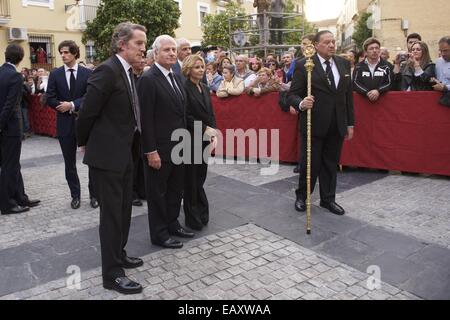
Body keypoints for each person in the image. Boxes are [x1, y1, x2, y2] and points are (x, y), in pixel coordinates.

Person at [76, 22, 147, 295]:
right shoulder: (107, 70)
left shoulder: (128, 72)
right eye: (139, 43)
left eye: (144, 43)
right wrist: (85, 143)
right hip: (107, 157)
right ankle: (112, 274)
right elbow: (87, 113)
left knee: (124, 211)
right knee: (112, 217)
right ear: (122, 45)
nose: (143, 49)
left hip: (126, 154)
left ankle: (120, 253)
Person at [287, 30, 354, 216]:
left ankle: (328, 199)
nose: (332, 45)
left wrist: (350, 123)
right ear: (316, 45)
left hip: (337, 123)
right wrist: (301, 103)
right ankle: (302, 196)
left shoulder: (343, 63)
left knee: (331, 164)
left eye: (333, 42)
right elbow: (292, 94)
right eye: (327, 42)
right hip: (313, 123)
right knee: (310, 163)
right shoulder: (304, 65)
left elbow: (347, 96)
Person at [137, 35, 195, 250]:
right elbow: (145, 119)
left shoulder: (177, 77)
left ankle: (173, 224)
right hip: (159, 149)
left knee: (175, 190)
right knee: (158, 193)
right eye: (167, 50)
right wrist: (150, 151)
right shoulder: (148, 79)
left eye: (173, 49)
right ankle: (159, 233)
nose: (172, 53)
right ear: (156, 53)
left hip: (178, 147)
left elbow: (182, 113)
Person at [46, 40, 97, 210]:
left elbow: (90, 96)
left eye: (66, 52)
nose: (63, 55)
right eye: (61, 52)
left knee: (92, 161)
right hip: (65, 124)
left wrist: (72, 104)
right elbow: (50, 97)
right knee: (69, 163)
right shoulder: (55, 74)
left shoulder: (87, 73)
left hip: (85, 123)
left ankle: (94, 195)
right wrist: (62, 106)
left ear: (75, 53)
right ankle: (75, 196)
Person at [0, 44, 40, 215]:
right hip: (9, 128)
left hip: (4, 127)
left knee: (12, 164)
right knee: (10, 165)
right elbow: (10, 105)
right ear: (21, 58)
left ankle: (20, 197)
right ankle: (8, 204)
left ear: (5, 55)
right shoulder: (15, 76)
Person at [182, 55, 217, 231]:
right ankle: (192, 217)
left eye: (202, 67)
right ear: (188, 69)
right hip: (189, 139)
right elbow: (185, 116)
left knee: (200, 177)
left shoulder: (204, 87)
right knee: (191, 180)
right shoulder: (184, 88)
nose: (201, 70)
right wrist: (204, 129)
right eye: (197, 67)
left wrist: (213, 133)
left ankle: (201, 212)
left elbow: (211, 113)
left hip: (204, 140)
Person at [353, 37, 392, 102]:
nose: (374, 50)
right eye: (371, 48)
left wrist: (378, 91)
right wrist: (367, 92)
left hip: (383, 102)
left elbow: (389, 82)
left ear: (379, 50)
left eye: (377, 48)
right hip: (364, 102)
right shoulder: (358, 66)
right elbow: (355, 83)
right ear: (366, 52)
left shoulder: (387, 66)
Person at [432, 36, 450, 106]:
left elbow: (444, 87)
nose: (442, 54)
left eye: (445, 50)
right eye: (440, 50)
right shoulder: (438, 62)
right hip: (441, 100)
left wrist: (446, 87)